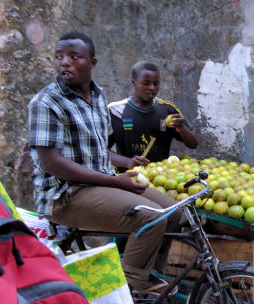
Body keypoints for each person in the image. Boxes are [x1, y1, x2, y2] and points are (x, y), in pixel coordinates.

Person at [28, 32, 181, 295]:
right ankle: (132, 286)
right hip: (65, 194)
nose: (64, 62)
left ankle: (148, 271)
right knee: (151, 217)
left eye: (74, 57)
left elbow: (99, 149)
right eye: (59, 57)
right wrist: (114, 180)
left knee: (175, 212)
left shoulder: (98, 97)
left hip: (100, 183)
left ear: (93, 62)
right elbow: (51, 162)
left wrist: (127, 162)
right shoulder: (46, 102)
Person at [108, 61, 198, 172]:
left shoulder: (168, 109)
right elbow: (100, 150)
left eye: (156, 83)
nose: (152, 87)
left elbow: (193, 144)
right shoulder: (115, 111)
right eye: (146, 83)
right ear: (133, 82)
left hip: (160, 179)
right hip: (127, 179)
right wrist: (128, 162)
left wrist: (182, 127)